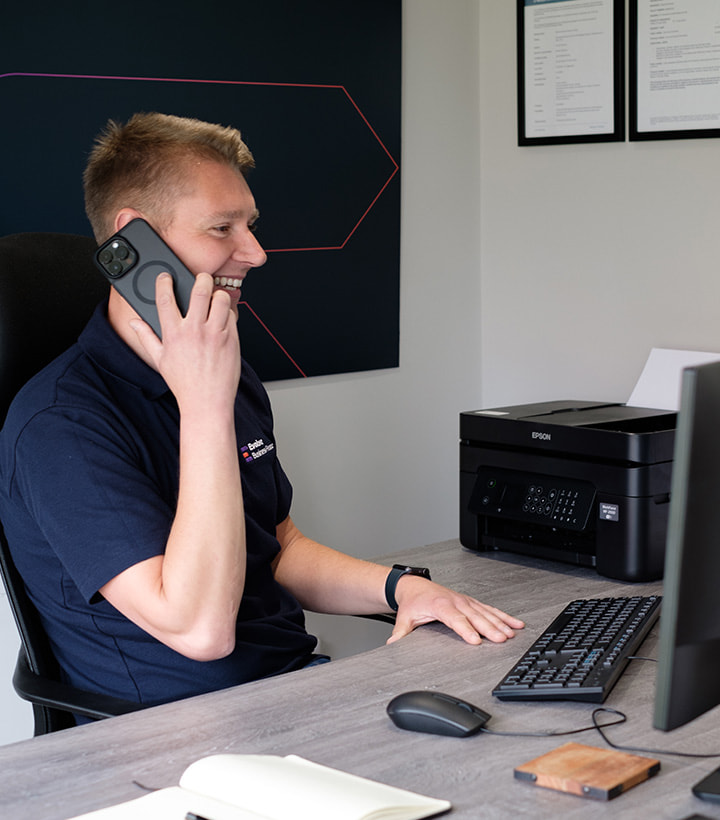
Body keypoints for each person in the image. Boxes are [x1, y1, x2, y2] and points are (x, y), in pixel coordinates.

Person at [0, 112, 523, 712]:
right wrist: (203, 405)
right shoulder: (60, 425)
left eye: (250, 224)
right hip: (176, 735)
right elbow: (200, 631)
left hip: (290, 686)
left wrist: (400, 588)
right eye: (222, 227)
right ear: (134, 239)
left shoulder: (226, 373)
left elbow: (275, 545)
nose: (255, 252)